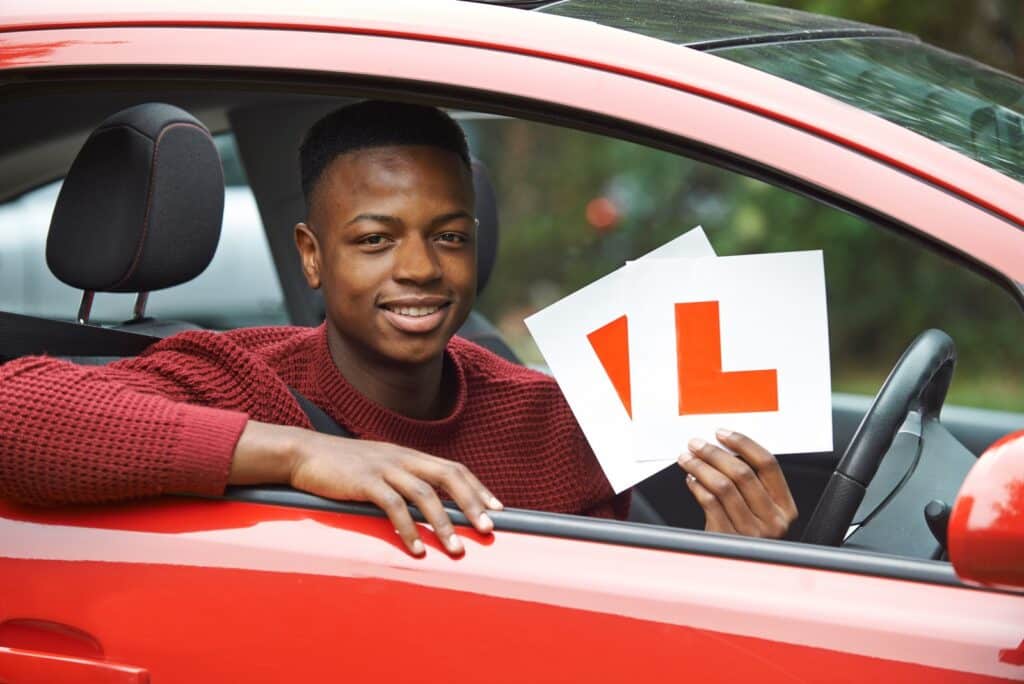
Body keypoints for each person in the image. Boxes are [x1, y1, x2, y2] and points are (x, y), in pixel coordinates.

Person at [0, 101, 797, 557]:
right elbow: (15, 410)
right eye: (375, 240)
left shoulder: (558, 418)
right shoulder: (239, 376)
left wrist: (746, 554)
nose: (419, 269)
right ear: (311, 257)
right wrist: (307, 453)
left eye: (448, 235)